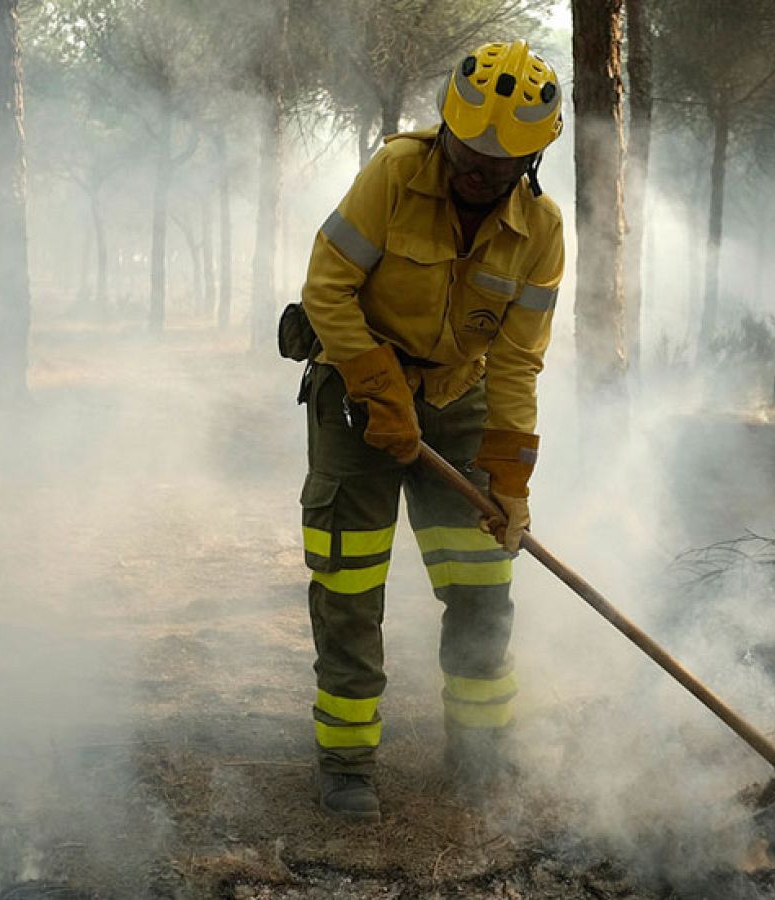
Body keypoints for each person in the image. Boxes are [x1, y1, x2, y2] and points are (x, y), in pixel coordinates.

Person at [293, 40, 565, 823]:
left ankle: (480, 754)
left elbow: (517, 365)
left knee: (482, 587)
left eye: (499, 163)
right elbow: (326, 291)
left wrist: (510, 482)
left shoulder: (541, 232)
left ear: (532, 159)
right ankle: (346, 765)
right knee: (349, 584)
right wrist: (380, 390)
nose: (477, 173)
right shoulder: (392, 174)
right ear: (447, 128)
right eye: (468, 152)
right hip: (356, 392)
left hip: (461, 398)